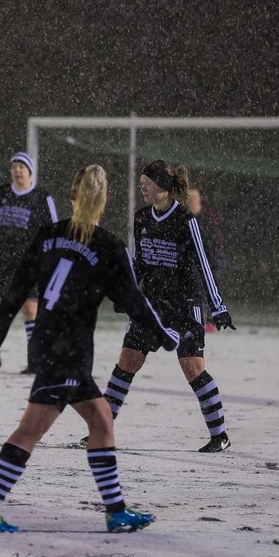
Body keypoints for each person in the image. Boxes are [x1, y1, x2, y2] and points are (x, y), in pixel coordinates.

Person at [0, 165, 179, 534]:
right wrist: (164, 334)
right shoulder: (108, 246)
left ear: (72, 194)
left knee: (101, 420)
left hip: (50, 346)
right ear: (105, 200)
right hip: (70, 352)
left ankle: (116, 511)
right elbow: (133, 301)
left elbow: (16, 292)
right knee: (29, 431)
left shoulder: (48, 235)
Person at [98, 160, 235, 453]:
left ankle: (219, 435)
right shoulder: (141, 218)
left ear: (162, 187)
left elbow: (203, 263)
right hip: (152, 306)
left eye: (147, 184)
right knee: (127, 361)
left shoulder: (186, 220)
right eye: (142, 184)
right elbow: (137, 261)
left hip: (185, 305)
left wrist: (218, 306)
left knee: (193, 368)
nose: (143, 189)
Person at [0, 151, 58, 373]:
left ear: (30, 171)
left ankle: (34, 361)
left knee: (30, 309)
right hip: (1, 259)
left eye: (21, 167)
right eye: (14, 166)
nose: (17, 170)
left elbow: (54, 227)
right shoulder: (3, 193)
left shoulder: (42, 197)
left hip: (30, 261)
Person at [186, 186, 226, 332]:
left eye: (194, 199)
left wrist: (216, 257)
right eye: (189, 199)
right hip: (191, 262)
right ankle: (194, 320)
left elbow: (215, 239)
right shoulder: (184, 217)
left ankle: (211, 321)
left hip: (209, 260)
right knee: (193, 291)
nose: (192, 202)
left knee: (211, 290)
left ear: (199, 200)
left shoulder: (207, 217)